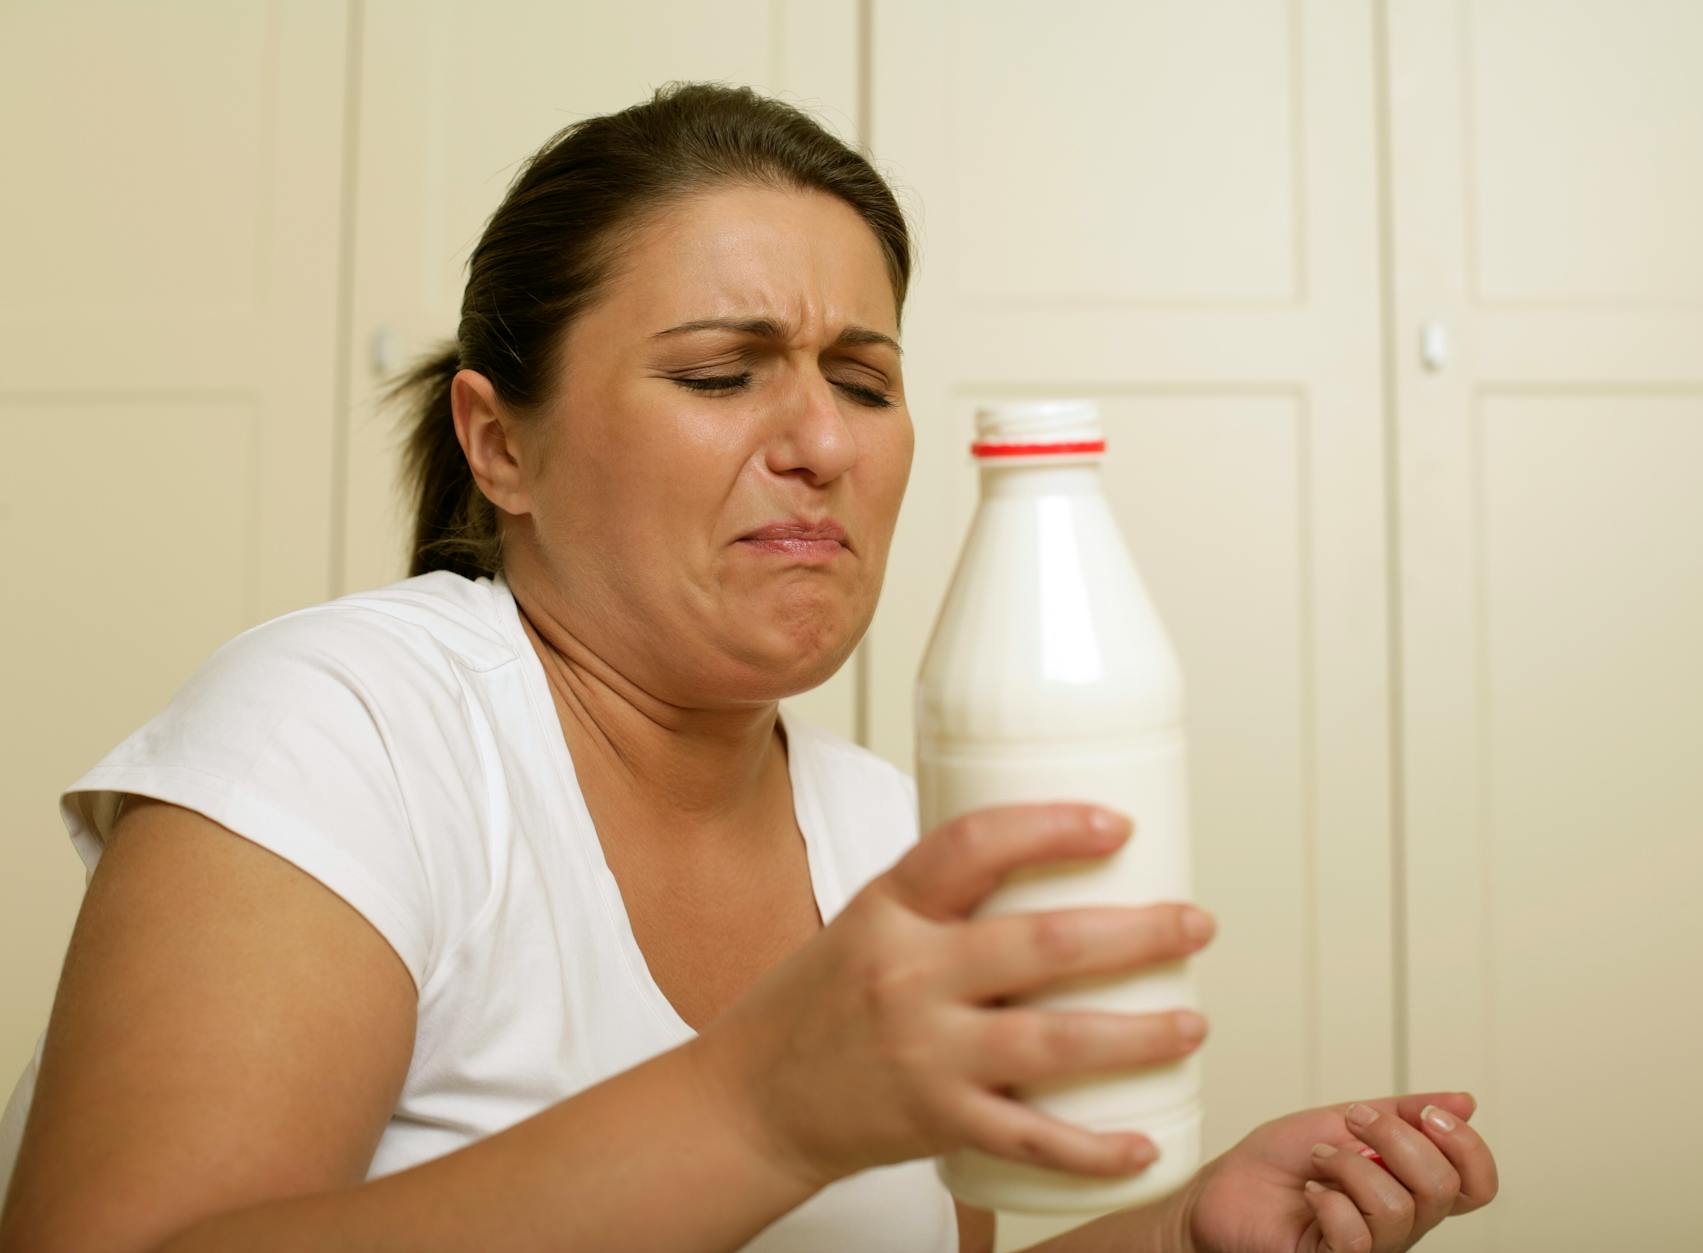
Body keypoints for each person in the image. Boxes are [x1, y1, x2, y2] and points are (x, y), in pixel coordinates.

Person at [0, 83, 1498, 1253]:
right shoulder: (345, 730)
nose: (825, 442)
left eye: (865, 380)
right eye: (722, 375)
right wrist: (762, 1102)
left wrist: (1179, 1233)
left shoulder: (885, 834)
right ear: (498, 441)